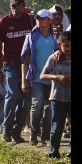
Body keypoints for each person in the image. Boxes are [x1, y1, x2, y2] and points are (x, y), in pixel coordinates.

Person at [0, 0, 34, 143]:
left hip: (28, 65)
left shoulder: (29, 20)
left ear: (24, 6)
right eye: (13, 6)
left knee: (26, 99)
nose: (16, 8)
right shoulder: (3, 22)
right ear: (10, 7)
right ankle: (6, 129)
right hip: (10, 65)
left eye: (18, 5)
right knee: (13, 95)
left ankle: (16, 132)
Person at [21, 9, 58, 147]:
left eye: (42, 19)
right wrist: (24, 80)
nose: (39, 21)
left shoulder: (56, 38)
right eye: (37, 19)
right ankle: (34, 132)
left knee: (49, 109)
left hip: (53, 79)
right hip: (36, 78)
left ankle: (46, 136)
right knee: (37, 106)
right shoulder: (30, 37)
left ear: (49, 20)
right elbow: (24, 60)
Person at [40, 29, 71, 158]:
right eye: (66, 46)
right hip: (57, 97)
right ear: (60, 45)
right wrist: (56, 77)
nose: (69, 49)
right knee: (57, 126)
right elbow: (42, 75)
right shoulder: (54, 58)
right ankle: (54, 152)